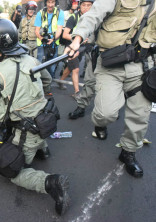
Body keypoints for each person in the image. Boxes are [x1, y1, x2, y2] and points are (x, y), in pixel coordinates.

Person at [0, 19, 70, 215]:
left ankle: (51, 183)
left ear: (4, 44)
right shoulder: (31, 60)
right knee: (27, 123)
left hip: (28, 132)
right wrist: (38, 96)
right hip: (47, 117)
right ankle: (43, 149)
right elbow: (47, 80)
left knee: (11, 171)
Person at [65, 0, 156, 178]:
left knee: (140, 115)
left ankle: (128, 152)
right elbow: (93, 15)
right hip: (110, 63)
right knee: (105, 113)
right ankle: (100, 124)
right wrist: (77, 40)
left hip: (142, 66)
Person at [57, 0, 94, 98]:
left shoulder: (93, 18)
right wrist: (78, 39)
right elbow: (65, 34)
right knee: (76, 69)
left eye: (89, 5)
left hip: (84, 48)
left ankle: (60, 81)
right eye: (84, 5)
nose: (86, 7)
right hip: (71, 48)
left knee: (70, 68)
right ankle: (77, 92)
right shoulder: (73, 17)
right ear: (80, 6)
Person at [34, 0, 65, 78]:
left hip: (54, 43)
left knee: (51, 66)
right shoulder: (40, 13)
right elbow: (37, 30)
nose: (50, 5)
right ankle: (39, 83)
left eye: (52, 2)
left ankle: (49, 85)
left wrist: (53, 39)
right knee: (39, 65)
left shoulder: (60, 13)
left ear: (55, 3)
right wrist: (42, 39)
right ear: (45, 3)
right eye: (48, 2)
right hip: (41, 43)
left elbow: (59, 29)